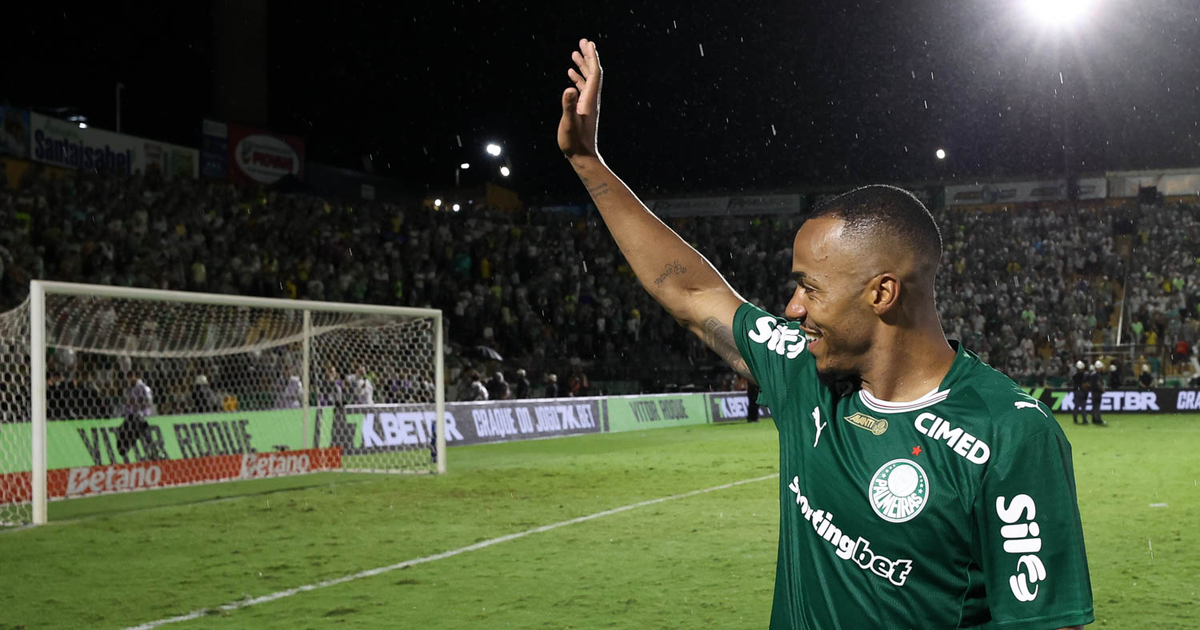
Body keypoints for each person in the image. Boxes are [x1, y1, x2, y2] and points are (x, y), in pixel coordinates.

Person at [557, 38, 1092, 629]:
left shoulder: (1011, 434)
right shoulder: (804, 372)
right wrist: (589, 164)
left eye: (809, 288)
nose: (790, 309)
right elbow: (691, 293)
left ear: (881, 293)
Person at [118, 370, 158, 461]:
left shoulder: (144, 388)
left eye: (130, 377)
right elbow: (127, 404)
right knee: (126, 433)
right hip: (131, 417)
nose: (129, 379)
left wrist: (143, 413)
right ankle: (126, 453)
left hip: (140, 417)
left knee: (145, 435)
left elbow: (149, 403)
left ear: (136, 376)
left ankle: (154, 453)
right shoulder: (129, 389)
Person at [1086, 361, 1107, 427]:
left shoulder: (1092, 374)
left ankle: (1094, 419)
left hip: (1093, 392)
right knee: (1097, 407)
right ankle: (1098, 420)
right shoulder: (1097, 374)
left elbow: (1089, 383)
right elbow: (1098, 383)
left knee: (1094, 406)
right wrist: (1102, 389)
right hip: (1097, 392)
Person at [1070, 360, 1088, 425]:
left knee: (1077, 407)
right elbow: (1085, 385)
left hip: (1077, 392)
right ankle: (1084, 420)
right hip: (1081, 392)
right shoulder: (1084, 376)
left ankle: (1076, 419)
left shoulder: (1075, 376)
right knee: (1082, 407)